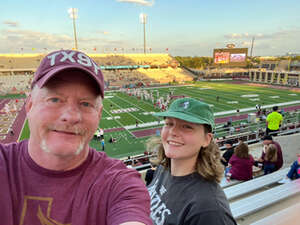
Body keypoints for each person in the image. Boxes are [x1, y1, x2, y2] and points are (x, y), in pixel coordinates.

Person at [0, 50, 151, 225]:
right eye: (55, 99)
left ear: (99, 114)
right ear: (30, 105)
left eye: (85, 104)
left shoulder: (119, 183)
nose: (71, 116)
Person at [147, 97, 236, 225]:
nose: (173, 132)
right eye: (169, 124)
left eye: (187, 127)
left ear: (206, 139)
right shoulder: (164, 168)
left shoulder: (209, 210)